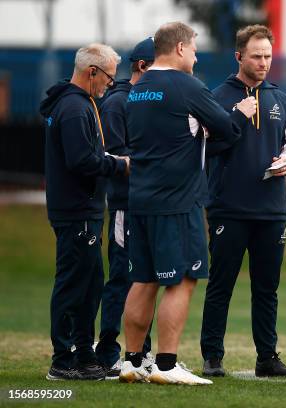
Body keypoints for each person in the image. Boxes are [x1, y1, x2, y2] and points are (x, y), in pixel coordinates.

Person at [119, 21, 256, 386]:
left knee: (143, 280)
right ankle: (165, 363)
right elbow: (226, 130)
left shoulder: (138, 87)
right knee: (182, 280)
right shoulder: (187, 86)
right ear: (179, 48)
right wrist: (240, 112)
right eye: (194, 49)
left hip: (141, 198)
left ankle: (132, 361)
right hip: (178, 200)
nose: (196, 56)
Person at [200, 25, 286, 378]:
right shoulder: (216, 97)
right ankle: (212, 356)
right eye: (256, 56)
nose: (263, 63)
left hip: (271, 210)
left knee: (266, 288)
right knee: (221, 285)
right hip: (229, 207)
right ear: (239, 56)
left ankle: (267, 357)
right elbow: (208, 148)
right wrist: (236, 118)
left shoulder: (281, 99)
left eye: (268, 56)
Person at [40, 43, 128, 380]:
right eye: (108, 77)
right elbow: (81, 161)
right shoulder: (75, 108)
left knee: (89, 285)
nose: (110, 84)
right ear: (92, 72)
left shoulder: (77, 103)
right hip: (76, 211)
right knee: (73, 284)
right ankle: (62, 359)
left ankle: (82, 353)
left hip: (81, 210)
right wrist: (120, 166)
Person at [94, 37, 156, 379]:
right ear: (143, 66)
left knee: (146, 279)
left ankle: (141, 352)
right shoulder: (118, 103)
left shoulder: (149, 101)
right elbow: (117, 155)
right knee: (122, 278)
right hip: (125, 205)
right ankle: (108, 353)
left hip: (150, 204)